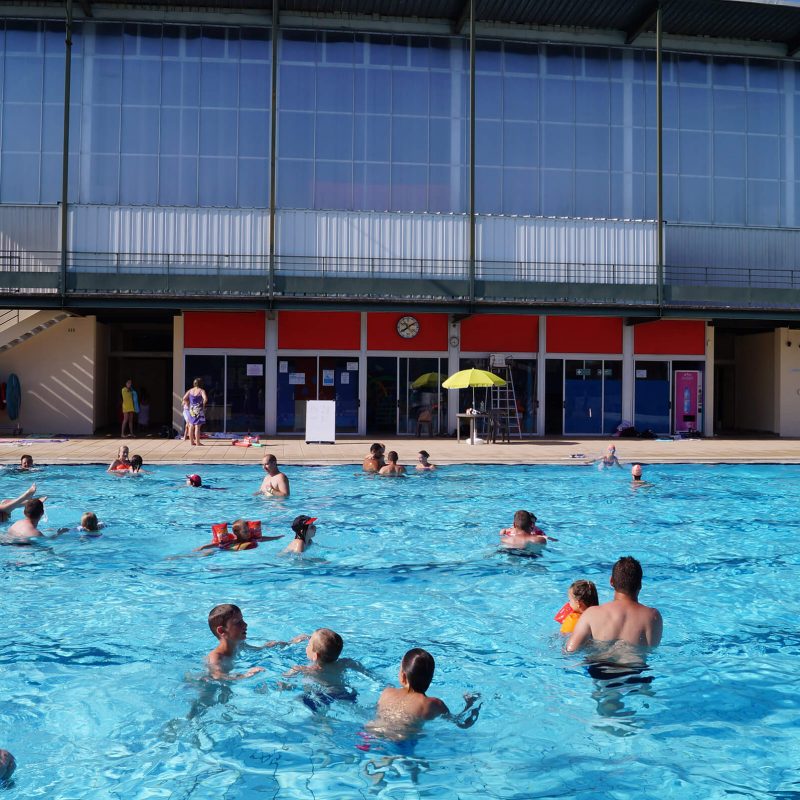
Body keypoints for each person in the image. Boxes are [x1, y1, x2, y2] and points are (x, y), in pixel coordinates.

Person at [566, 556, 662, 652]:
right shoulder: (653, 616)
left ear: (611, 581)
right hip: (635, 666)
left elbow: (570, 651)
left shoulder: (591, 613)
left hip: (599, 665)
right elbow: (650, 650)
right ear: (640, 585)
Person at [373, 648, 480, 733]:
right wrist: (470, 704)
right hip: (401, 742)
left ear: (403, 676)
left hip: (371, 732)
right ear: (430, 678)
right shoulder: (433, 704)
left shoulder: (387, 692)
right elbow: (461, 723)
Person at [286, 628, 365, 710]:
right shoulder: (344, 663)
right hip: (344, 693)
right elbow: (359, 667)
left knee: (298, 699)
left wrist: (284, 684)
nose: (307, 646)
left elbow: (287, 681)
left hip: (323, 696)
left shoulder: (304, 669)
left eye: (308, 645)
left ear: (315, 656)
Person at [206, 604, 267, 680]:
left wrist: (269, 646)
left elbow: (255, 650)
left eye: (242, 620)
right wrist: (246, 675)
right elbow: (218, 676)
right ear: (222, 631)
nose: (245, 624)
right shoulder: (215, 657)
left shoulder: (238, 644)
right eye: (238, 622)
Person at [195, 519, 282, 552]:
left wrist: (276, 538)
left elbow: (262, 539)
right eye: (245, 532)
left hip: (237, 549)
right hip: (223, 550)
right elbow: (217, 544)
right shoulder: (231, 540)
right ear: (236, 532)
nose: (248, 533)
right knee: (209, 553)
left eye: (248, 531)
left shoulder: (252, 539)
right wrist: (203, 547)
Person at [182, 378, 207, 447]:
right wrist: (203, 404)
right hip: (198, 408)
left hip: (192, 409)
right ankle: (198, 443)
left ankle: (192, 442)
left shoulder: (190, 390)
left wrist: (188, 403)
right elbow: (205, 399)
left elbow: (184, 398)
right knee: (197, 426)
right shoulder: (201, 391)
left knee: (191, 425)